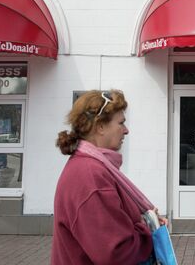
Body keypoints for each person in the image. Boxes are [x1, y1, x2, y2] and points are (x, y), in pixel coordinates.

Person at [52, 90, 164, 264]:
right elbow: (116, 253)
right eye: (121, 123)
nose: (126, 131)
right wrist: (149, 229)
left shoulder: (91, 167)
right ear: (100, 127)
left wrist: (145, 219)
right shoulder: (90, 175)